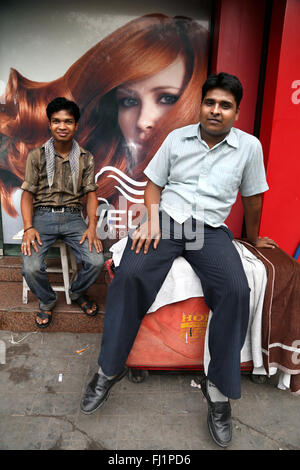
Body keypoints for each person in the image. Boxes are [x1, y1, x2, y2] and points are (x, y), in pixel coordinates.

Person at [80, 73, 278, 448]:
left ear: (237, 111)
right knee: (130, 275)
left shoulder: (249, 148)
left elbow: (254, 197)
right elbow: (154, 183)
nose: (215, 110)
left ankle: (218, 393)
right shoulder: (177, 138)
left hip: (209, 229)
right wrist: (151, 220)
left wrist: (251, 239)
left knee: (236, 288)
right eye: (210, 102)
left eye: (225, 105)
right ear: (201, 104)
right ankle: (109, 370)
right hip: (168, 222)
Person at [0, 14, 208, 222]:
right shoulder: (97, 184)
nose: (144, 121)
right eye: (128, 101)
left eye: (167, 98)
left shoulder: (204, 181)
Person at [21, 97, 104, 328]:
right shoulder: (36, 156)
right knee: (31, 267)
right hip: (42, 217)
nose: (62, 126)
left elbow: (91, 194)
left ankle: (77, 293)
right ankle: (47, 301)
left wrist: (91, 228)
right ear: (49, 124)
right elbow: (27, 194)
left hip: (73, 217)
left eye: (68, 121)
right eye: (56, 121)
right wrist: (29, 227)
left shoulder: (85, 158)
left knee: (96, 261)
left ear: (76, 125)